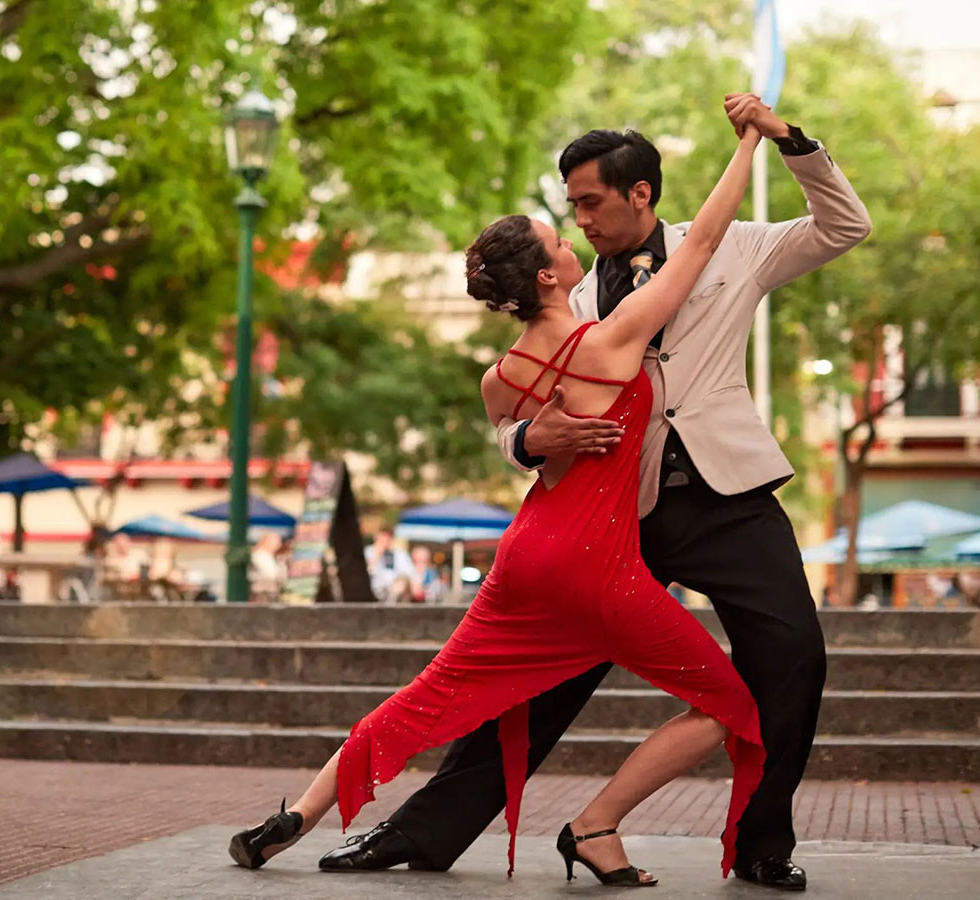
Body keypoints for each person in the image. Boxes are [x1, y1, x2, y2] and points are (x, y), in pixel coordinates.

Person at [322, 94, 870, 891]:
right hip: (613, 513)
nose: (577, 218)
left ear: (639, 193)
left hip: (730, 495)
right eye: (569, 204)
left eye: (590, 201)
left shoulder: (733, 247)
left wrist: (793, 142)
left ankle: (761, 843)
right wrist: (524, 442)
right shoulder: (570, 294)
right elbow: (515, 410)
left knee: (792, 657)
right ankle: (422, 831)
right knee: (540, 675)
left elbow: (844, 225)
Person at [229, 116, 770, 886]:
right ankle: (596, 825)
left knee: (428, 696)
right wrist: (748, 143)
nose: (572, 240)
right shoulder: (611, 342)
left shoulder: (500, 380)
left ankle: (294, 818)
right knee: (726, 705)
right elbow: (707, 239)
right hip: (597, 568)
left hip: (524, 561)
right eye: (558, 241)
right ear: (548, 277)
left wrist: (527, 439)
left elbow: (521, 446)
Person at [363, 527, 415, 601]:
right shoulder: (367, 552)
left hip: (394, 589)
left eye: (388, 538)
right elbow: (368, 570)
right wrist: (377, 554)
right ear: (376, 537)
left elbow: (409, 572)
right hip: (373, 588)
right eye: (383, 537)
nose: (385, 541)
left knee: (401, 585)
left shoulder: (399, 554)